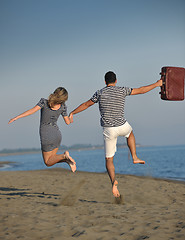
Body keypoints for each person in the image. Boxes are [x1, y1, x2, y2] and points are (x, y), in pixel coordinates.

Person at [69, 71, 162, 197]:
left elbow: (86, 104)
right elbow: (141, 90)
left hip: (109, 130)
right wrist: (157, 84)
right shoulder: (122, 90)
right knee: (130, 133)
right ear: (116, 80)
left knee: (109, 160)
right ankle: (134, 156)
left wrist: (73, 113)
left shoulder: (100, 92)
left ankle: (113, 182)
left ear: (105, 82)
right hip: (122, 125)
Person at [8, 87, 76, 172]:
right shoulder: (63, 107)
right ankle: (67, 160)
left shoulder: (44, 102)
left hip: (46, 135)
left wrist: (17, 117)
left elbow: (32, 111)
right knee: (53, 159)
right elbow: (68, 122)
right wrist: (70, 117)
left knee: (48, 162)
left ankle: (64, 156)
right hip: (57, 135)